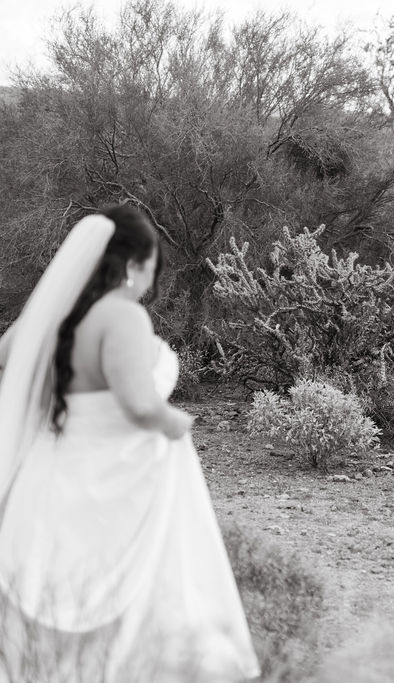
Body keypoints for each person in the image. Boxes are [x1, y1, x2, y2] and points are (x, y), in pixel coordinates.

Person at [0, 206, 259, 681]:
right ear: (135, 264)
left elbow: (8, 357)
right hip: (116, 476)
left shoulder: (58, 316)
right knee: (134, 595)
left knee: (54, 590)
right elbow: (139, 404)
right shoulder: (121, 316)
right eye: (152, 268)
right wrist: (177, 421)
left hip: (53, 470)